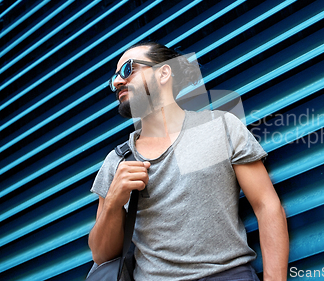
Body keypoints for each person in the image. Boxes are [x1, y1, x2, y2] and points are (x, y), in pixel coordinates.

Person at [88, 42, 289, 281]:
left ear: (163, 73)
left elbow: (267, 207)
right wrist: (113, 201)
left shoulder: (220, 127)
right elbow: (102, 255)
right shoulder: (116, 161)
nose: (118, 82)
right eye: (114, 79)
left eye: (127, 70)